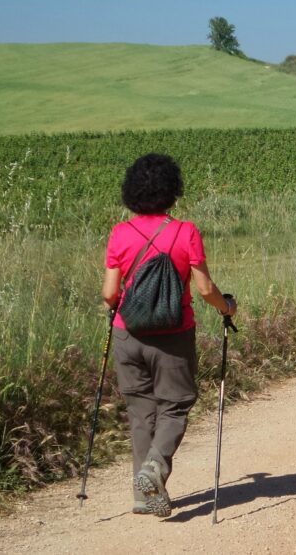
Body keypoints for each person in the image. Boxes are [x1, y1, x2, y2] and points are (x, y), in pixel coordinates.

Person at [101, 153, 237, 517]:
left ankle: (142, 495)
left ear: (132, 192)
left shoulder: (120, 233)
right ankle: (155, 467)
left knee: (141, 410)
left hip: (128, 335)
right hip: (174, 334)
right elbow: (205, 288)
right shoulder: (185, 231)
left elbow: (109, 294)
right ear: (172, 191)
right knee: (174, 405)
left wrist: (118, 304)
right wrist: (227, 308)